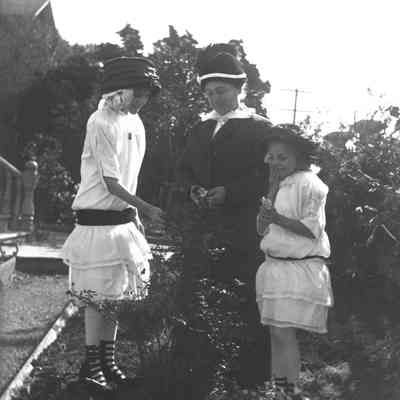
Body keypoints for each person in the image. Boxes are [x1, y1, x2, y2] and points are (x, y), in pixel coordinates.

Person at [62, 57, 165, 393]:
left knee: (116, 298)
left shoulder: (136, 123)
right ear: (120, 90)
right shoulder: (99, 122)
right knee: (97, 299)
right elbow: (110, 182)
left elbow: (130, 177)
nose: (142, 100)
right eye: (138, 93)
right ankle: (91, 366)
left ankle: (108, 361)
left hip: (121, 222)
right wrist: (146, 208)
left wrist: (134, 214)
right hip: (96, 224)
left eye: (147, 95)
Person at [176, 43, 272, 386]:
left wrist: (230, 192)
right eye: (210, 93)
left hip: (242, 230)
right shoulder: (200, 129)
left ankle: (246, 380)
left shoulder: (260, 128)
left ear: (239, 89)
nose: (215, 98)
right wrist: (192, 190)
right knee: (198, 295)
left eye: (222, 91)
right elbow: (183, 170)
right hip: (203, 229)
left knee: (240, 296)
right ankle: (196, 372)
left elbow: (267, 175)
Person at [256, 127, 334, 399]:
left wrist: (275, 217)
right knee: (276, 335)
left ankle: (288, 393)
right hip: (274, 268)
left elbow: (313, 228)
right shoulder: (279, 183)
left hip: (299, 270)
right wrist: (268, 206)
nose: (275, 162)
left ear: (298, 158)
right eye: (272, 156)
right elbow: (262, 230)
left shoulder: (309, 184)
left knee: (283, 334)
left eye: (283, 157)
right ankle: (280, 391)